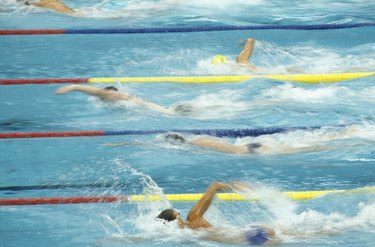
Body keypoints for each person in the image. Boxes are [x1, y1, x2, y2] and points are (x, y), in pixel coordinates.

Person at [156, 181, 276, 245]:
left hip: (247, 238)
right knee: (288, 234)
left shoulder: (183, 235)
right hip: (248, 232)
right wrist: (234, 186)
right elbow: (215, 186)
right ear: (177, 217)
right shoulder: (194, 218)